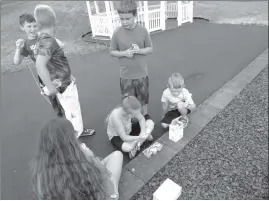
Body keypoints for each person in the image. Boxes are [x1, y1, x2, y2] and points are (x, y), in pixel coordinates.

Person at [33, 4, 95, 137]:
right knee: (72, 110)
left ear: (38, 24)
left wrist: (68, 75)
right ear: (55, 23)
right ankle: (76, 138)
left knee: (62, 110)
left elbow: (55, 63)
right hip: (60, 85)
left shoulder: (41, 39)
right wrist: (50, 86)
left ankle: (69, 135)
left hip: (58, 81)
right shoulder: (49, 42)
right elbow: (40, 65)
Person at [31, 118, 123, 200]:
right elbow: (106, 179)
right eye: (74, 132)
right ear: (70, 139)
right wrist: (91, 157)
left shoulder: (41, 174)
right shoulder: (84, 162)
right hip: (98, 194)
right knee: (117, 157)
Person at [13, 13, 66, 117]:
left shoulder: (44, 37)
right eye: (29, 26)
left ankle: (73, 121)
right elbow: (16, 62)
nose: (33, 29)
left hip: (57, 71)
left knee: (65, 96)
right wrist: (18, 48)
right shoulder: (26, 44)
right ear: (22, 27)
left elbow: (62, 45)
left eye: (35, 25)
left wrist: (48, 36)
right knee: (53, 99)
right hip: (44, 75)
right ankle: (60, 118)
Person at [109, 0, 153, 117]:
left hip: (141, 74)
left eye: (127, 19)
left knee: (143, 99)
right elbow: (112, 52)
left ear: (135, 16)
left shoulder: (142, 31)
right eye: (121, 19)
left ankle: (145, 117)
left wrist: (139, 50)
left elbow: (150, 48)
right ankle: (130, 121)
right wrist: (124, 53)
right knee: (128, 101)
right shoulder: (117, 33)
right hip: (126, 76)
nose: (124, 22)